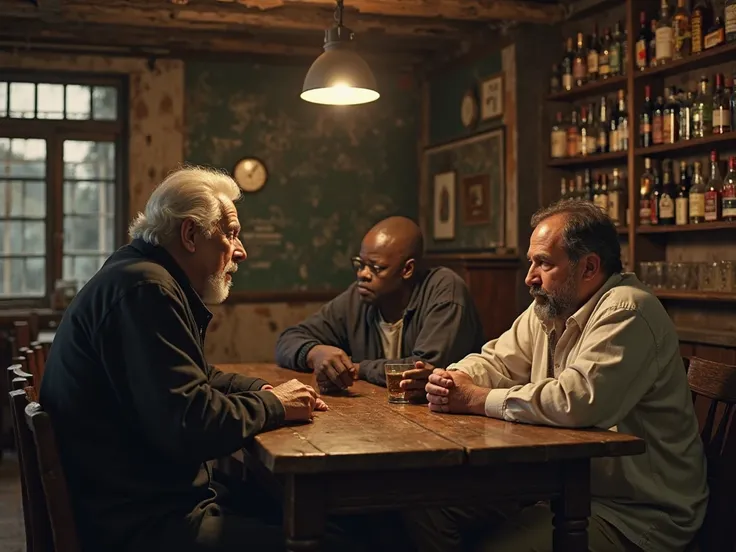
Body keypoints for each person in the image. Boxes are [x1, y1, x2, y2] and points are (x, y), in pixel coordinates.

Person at [40, 167, 330, 552]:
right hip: (140, 523)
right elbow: (191, 425)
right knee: (331, 537)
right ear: (190, 235)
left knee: (294, 508)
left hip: (136, 498)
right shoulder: (147, 289)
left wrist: (261, 389)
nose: (240, 251)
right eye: (230, 234)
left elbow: (193, 379)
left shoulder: (139, 273)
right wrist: (273, 405)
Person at [412, 200, 708, 552]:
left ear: (589, 267)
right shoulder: (551, 306)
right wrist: (452, 378)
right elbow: (496, 361)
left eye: (544, 263)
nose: (529, 277)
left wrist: (476, 398)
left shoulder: (628, 310)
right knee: (420, 509)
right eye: (531, 262)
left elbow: (576, 401)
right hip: (556, 487)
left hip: (633, 512)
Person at [275, 216, 486, 398]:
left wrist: (358, 369)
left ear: (407, 269)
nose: (363, 274)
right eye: (360, 264)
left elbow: (425, 371)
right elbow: (288, 339)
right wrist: (314, 353)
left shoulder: (445, 290)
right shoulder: (359, 297)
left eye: (376, 267)